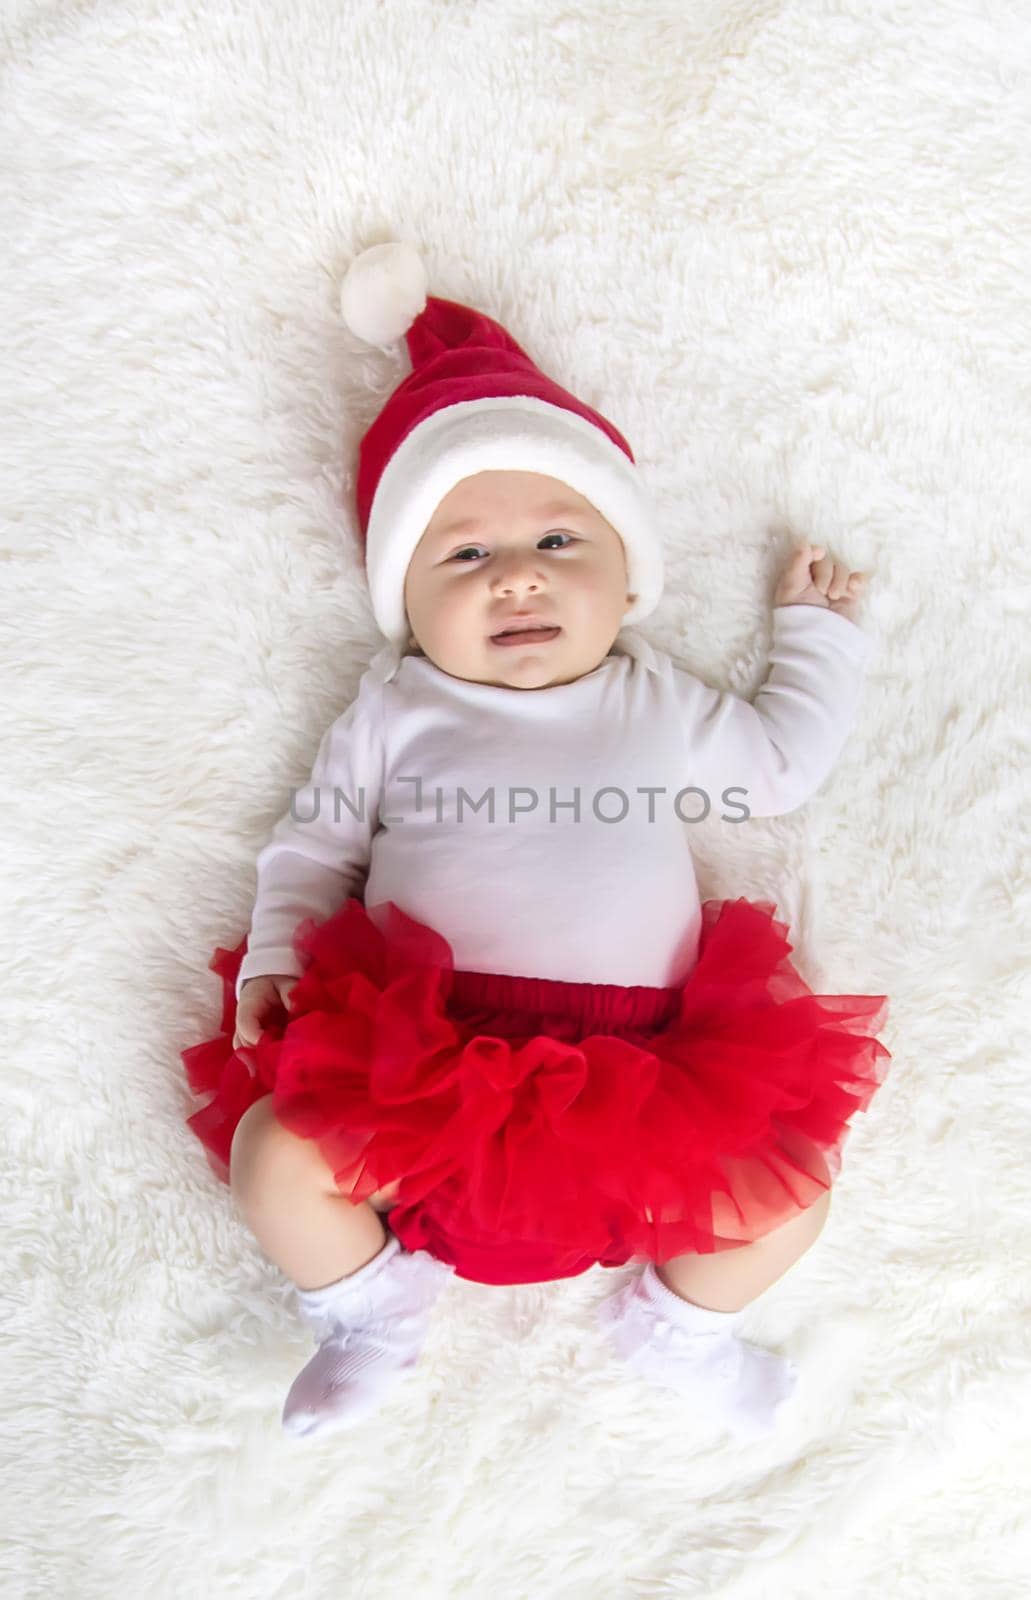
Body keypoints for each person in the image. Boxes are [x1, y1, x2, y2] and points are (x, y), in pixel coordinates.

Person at [180, 241, 891, 1443]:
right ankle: (364, 1312)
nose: (516, 577)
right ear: (404, 600)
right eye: (464, 555)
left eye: (561, 543)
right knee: (273, 1152)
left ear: (626, 587)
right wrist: (275, 961)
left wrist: (816, 642)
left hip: (638, 1079)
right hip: (417, 1066)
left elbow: (776, 766)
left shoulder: (649, 697)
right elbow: (314, 843)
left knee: (790, 1190)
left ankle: (682, 1326)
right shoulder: (398, 707)